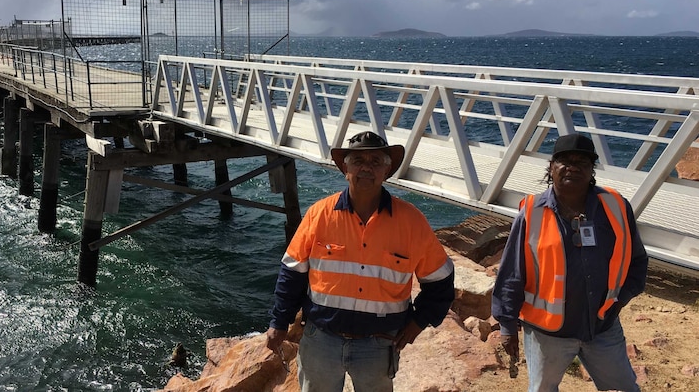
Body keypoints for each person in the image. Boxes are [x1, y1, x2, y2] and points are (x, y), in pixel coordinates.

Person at [265, 131, 455, 392]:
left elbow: (440, 280)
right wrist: (279, 322)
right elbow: (292, 273)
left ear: (386, 171)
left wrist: (419, 322)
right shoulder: (319, 214)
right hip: (321, 340)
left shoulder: (412, 222)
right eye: (358, 160)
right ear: (345, 168)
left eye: (376, 161)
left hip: (378, 345)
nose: (367, 167)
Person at [492, 133, 648, 392]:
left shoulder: (616, 207)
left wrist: (619, 301)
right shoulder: (532, 213)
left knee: (625, 388)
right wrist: (507, 325)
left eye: (582, 162)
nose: (573, 167)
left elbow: (637, 260)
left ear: (591, 170)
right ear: (551, 167)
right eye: (564, 160)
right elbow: (512, 274)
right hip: (547, 334)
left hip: (602, 327)